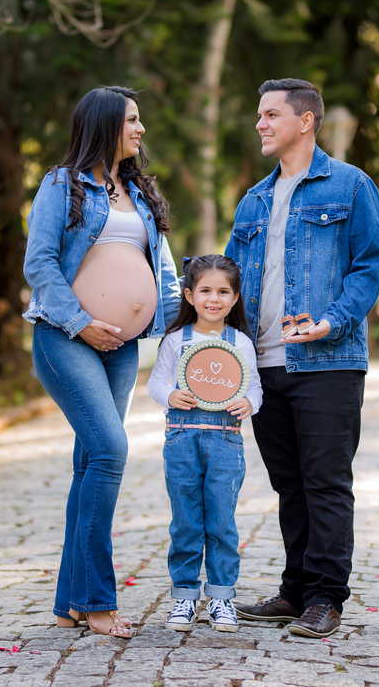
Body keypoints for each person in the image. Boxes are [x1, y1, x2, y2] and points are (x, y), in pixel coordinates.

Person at [225, 78, 379, 638]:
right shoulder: (254, 199)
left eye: (271, 114)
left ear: (306, 121)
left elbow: (371, 265)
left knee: (325, 483)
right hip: (266, 365)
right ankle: (295, 592)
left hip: (328, 362)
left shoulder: (350, 187)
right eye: (259, 114)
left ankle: (326, 598)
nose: (260, 124)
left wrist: (333, 320)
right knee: (289, 485)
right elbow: (228, 279)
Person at [23, 85, 181, 639]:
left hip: (122, 348)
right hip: (65, 337)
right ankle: (97, 602)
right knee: (111, 450)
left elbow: (160, 271)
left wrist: (187, 327)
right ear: (106, 124)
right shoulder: (60, 185)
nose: (140, 130)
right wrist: (80, 321)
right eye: (132, 121)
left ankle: (70, 602)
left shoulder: (137, 191)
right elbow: (39, 263)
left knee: (90, 463)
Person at [147, 254, 262, 634]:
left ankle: (221, 598)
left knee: (221, 521)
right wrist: (169, 397)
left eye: (223, 291)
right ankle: (184, 595)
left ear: (235, 297)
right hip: (181, 439)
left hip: (226, 441)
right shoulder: (176, 340)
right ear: (189, 295)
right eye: (206, 290)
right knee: (186, 521)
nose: (214, 298)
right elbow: (157, 383)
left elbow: (255, 388)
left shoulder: (240, 343)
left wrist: (249, 403)